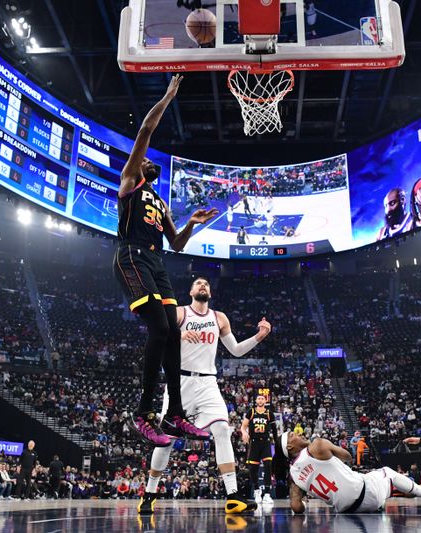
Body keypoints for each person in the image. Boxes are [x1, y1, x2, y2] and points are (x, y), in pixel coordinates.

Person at [115, 75, 217, 447]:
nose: (149, 163)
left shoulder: (159, 202)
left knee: (173, 333)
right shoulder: (130, 182)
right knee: (159, 329)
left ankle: (174, 413)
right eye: (146, 161)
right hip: (131, 257)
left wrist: (190, 223)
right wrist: (169, 95)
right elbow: (145, 130)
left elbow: (175, 242)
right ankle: (143, 413)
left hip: (157, 262)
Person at [140, 277, 271, 515]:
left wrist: (258, 337)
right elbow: (157, 338)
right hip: (179, 381)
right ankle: (149, 494)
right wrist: (178, 336)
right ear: (190, 291)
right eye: (199, 283)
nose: (203, 286)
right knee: (166, 439)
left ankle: (232, 496)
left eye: (207, 284)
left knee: (222, 429)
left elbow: (236, 350)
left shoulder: (219, 318)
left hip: (208, 381)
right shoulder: (179, 313)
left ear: (210, 292)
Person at [278, 431, 421, 513]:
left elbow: (296, 507)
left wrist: (305, 501)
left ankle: (380, 504)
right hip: (365, 494)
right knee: (387, 472)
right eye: (293, 435)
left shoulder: (293, 477)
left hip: (345, 511)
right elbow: (347, 457)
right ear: (290, 447)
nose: (298, 434)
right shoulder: (317, 445)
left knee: (367, 478)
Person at [241, 394, 278, 505]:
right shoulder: (251, 412)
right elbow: (243, 426)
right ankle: (257, 491)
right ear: (256, 400)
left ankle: (267, 494)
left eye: (262, 398)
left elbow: (274, 429)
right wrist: (244, 432)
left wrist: (277, 442)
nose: (260, 400)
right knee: (253, 468)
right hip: (254, 442)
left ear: (265, 401)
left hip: (266, 442)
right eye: (259, 398)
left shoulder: (269, 413)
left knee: (268, 466)